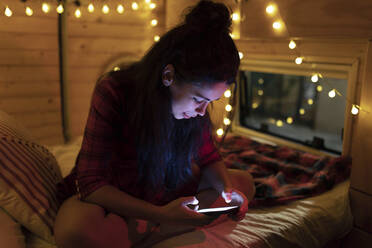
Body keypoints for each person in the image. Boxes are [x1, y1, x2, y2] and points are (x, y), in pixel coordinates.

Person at [54, 1, 255, 247]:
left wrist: (226, 191)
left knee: (244, 184)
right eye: (198, 99)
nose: (203, 111)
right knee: (74, 232)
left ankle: (146, 230)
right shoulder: (115, 91)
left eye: (210, 102)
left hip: (167, 189)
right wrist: (160, 214)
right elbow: (90, 183)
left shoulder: (194, 112)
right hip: (117, 194)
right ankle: (163, 224)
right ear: (168, 76)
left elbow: (209, 158)